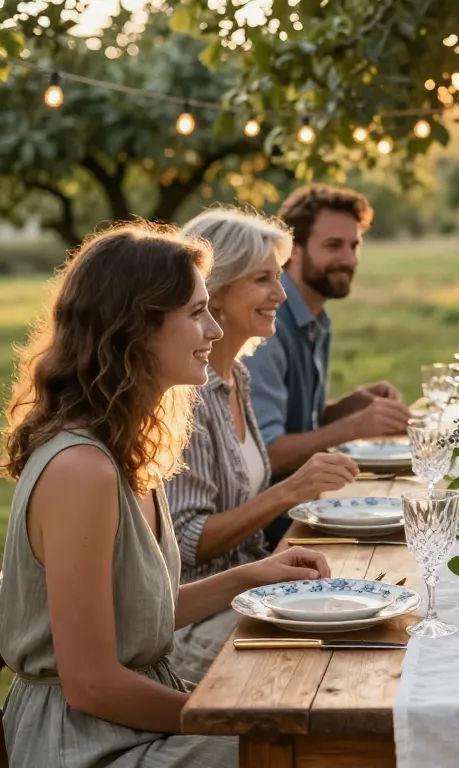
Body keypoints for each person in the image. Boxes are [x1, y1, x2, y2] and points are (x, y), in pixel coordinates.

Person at [0, 223, 331, 767]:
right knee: (301, 745)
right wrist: (221, 716)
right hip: (85, 743)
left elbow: (134, 613)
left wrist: (253, 576)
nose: (213, 329)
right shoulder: (82, 469)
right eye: (196, 312)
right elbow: (91, 685)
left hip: (123, 723)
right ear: (137, 328)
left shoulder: (121, 450)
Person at [167, 209, 360, 683]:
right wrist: (288, 491)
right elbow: (189, 542)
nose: (280, 294)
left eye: (278, 278)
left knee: (363, 620)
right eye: (263, 280)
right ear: (217, 289)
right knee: (333, 663)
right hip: (193, 622)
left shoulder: (238, 377)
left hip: (251, 592)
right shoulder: (187, 395)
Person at [245, 184, 411, 549]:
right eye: (333, 246)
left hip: (308, 510)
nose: (349, 259)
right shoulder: (266, 328)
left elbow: (300, 424)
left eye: (354, 246)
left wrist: (351, 405)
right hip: (273, 530)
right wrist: (354, 426)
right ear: (294, 251)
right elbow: (268, 452)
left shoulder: (317, 319)